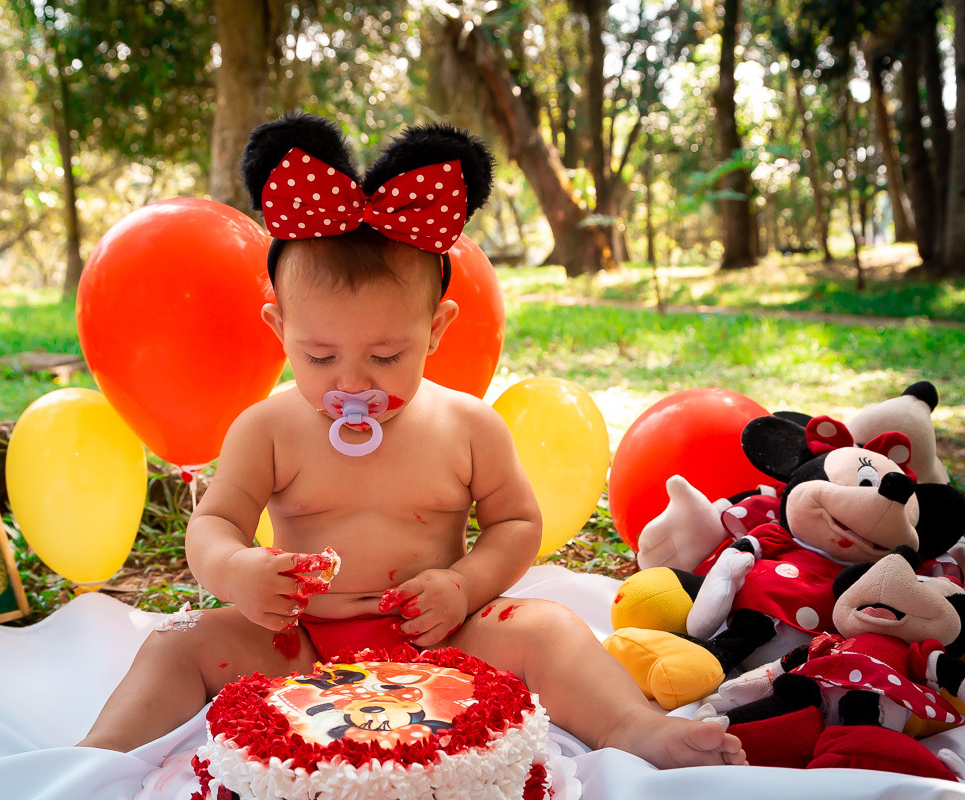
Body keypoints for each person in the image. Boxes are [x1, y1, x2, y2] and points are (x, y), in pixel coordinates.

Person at [79, 113, 746, 769]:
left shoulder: (466, 425)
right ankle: (92, 759)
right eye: (319, 356)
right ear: (279, 329)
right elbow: (216, 522)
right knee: (179, 643)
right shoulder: (268, 428)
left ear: (436, 329)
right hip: (304, 643)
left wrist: (464, 585)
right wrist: (238, 572)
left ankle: (635, 728)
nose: (352, 382)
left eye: (386, 354)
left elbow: (516, 521)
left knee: (550, 627)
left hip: (447, 637)